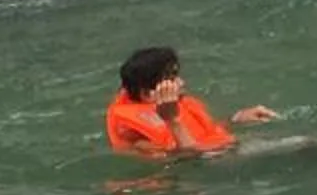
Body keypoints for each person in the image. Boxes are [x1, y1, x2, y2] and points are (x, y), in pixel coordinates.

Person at [104, 46, 278, 157]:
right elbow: (190, 160)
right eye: (172, 78)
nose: (181, 82)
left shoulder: (174, 105)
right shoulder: (133, 135)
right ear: (148, 94)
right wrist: (172, 120)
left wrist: (235, 120)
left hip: (224, 153)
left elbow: (203, 135)